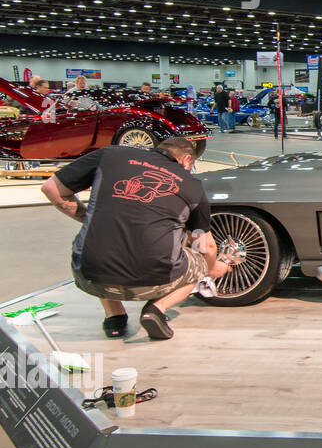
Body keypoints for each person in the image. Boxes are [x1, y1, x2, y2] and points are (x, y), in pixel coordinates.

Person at [40, 137, 232, 340]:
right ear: (186, 160)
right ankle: (157, 309)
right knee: (200, 262)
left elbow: (51, 189)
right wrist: (210, 268)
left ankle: (114, 317)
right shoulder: (192, 186)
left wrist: (87, 218)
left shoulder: (110, 155)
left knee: (95, 238)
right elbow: (207, 247)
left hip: (90, 277)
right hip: (153, 282)